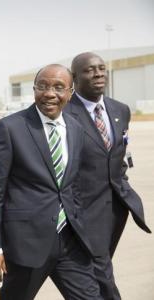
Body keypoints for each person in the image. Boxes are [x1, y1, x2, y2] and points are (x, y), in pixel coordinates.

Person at [0, 64, 101, 299]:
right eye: (43, 86)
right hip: (26, 244)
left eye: (59, 87)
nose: (49, 93)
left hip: (70, 241)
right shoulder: (10, 128)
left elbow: (72, 185)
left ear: (70, 93)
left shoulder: (76, 129)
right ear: (34, 89)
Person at [64, 52, 151, 299]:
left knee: (99, 266)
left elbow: (120, 154)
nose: (98, 74)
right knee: (100, 269)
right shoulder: (65, 114)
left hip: (116, 207)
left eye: (102, 68)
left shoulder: (120, 110)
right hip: (84, 208)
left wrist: (122, 182)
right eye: (90, 70)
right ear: (74, 77)